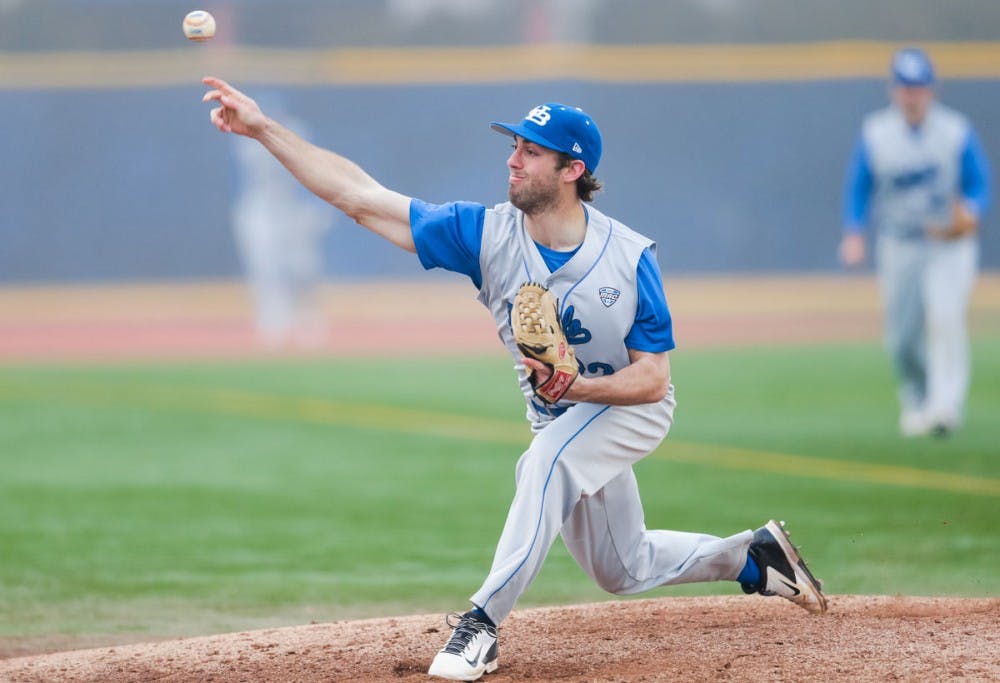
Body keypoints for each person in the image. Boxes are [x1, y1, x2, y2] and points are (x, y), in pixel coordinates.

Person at [201, 78, 828, 681]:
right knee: (622, 567)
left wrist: (578, 387)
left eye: (531, 151)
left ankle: (481, 623)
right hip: (562, 416)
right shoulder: (487, 234)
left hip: (628, 408)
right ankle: (752, 558)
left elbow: (654, 383)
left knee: (544, 464)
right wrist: (261, 130)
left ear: (571, 170)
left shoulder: (629, 256)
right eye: (514, 146)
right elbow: (361, 198)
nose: (513, 160)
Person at [839, 47, 992, 438]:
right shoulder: (876, 132)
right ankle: (917, 398)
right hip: (900, 242)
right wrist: (854, 231)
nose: (912, 96)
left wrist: (971, 209)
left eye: (919, 88)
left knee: (945, 319)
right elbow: (859, 187)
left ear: (932, 89)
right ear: (894, 90)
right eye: (906, 88)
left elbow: (978, 182)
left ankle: (945, 407)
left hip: (947, 243)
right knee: (902, 336)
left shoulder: (955, 129)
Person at [229, 94, 335, 349]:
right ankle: (273, 323)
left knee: (303, 267)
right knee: (266, 267)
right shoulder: (244, 139)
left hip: (293, 207)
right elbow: (237, 179)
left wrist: (317, 207)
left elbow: (316, 170)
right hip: (261, 208)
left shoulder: (298, 132)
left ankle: (308, 322)